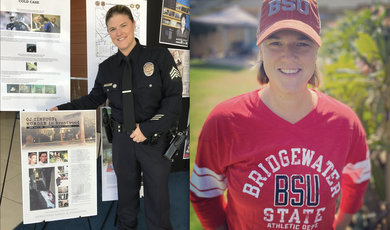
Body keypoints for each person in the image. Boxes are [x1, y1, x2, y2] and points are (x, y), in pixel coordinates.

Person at [190, 1, 371, 230]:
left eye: (302, 43)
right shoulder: (225, 122)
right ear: (261, 49)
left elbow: (358, 178)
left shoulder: (345, 124)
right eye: (275, 42)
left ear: (316, 49)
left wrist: (339, 222)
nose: (288, 55)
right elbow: (204, 193)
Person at [50, 5, 182, 230]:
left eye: (123, 25)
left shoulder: (158, 56)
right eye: (112, 29)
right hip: (122, 142)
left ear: (133, 25)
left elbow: (173, 98)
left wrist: (147, 129)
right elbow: (94, 99)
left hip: (154, 140)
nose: (119, 32)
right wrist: (61, 109)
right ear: (108, 33)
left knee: (157, 198)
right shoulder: (107, 68)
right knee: (126, 195)